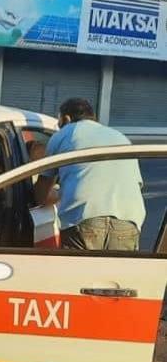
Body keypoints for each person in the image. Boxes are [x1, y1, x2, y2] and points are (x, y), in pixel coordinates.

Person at [34, 98, 145, 252]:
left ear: (66, 118)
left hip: (84, 219)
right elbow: (135, 185)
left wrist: (59, 194)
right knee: (118, 275)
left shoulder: (66, 133)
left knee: (82, 275)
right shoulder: (121, 137)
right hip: (128, 221)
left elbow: (42, 193)